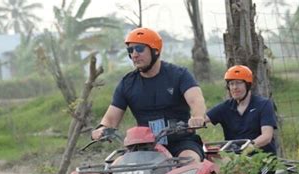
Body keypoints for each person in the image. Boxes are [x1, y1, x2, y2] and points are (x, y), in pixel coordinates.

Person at [91, 27, 207, 162]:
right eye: (130, 50)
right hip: (143, 146)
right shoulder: (127, 83)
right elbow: (110, 120)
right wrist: (102, 129)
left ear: (155, 50)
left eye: (139, 49)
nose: (134, 54)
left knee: (188, 161)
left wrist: (198, 116)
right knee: (116, 167)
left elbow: (196, 100)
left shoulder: (179, 75)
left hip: (181, 142)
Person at [205, 65, 277, 155]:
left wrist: (247, 148)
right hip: (236, 161)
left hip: (262, 159)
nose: (234, 87)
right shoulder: (225, 107)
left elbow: (267, 136)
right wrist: (193, 121)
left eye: (238, 83)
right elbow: (203, 119)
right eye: (231, 84)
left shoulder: (263, 104)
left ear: (248, 85)